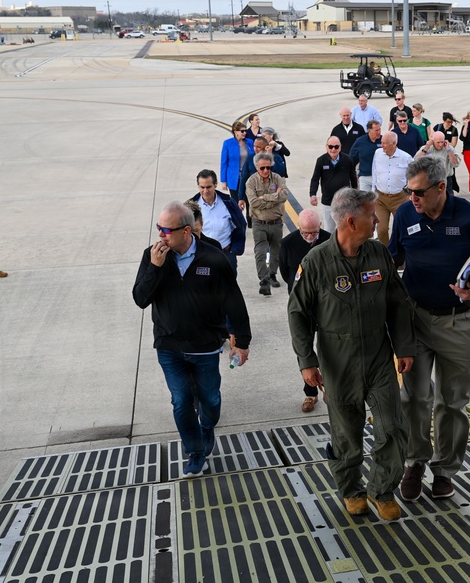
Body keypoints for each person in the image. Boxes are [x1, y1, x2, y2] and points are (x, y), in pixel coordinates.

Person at [288, 188, 415, 521]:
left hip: (378, 355)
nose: (376, 221)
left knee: (392, 426)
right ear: (351, 220)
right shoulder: (315, 262)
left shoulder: (378, 254)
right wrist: (307, 361)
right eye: (372, 215)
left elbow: (398, 304)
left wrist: (404, 346)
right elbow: (298, 314)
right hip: (336, 358)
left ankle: (381, 490)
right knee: (346, 432)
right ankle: (352, 490)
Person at [388, 157, 470, 502]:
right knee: (412, 398)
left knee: (452, 403)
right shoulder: (406, 214)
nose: (412, 199)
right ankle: (414, 462)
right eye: (409, 192)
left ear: (441, 187)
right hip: (416, 321)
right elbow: (393, 258)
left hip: (458, 322)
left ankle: (445, 469)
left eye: (419, 192)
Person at [132, 203, 252, 477]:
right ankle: (196, 452)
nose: (161, 235)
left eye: (166, 230)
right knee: (181, 400)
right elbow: (140, 299)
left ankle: (207, 427)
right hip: (169, 346)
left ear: (186, 231)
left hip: (205, 347)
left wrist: (241, 342)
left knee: (210, 400)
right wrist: (155, 268)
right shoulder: (152, 257)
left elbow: (234, 302)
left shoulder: (213, 259)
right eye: (158, 228)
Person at [278, 209, 331, 414]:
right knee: (304, 349)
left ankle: (328, 387)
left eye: (314, 233)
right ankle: (311, 392)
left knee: (329, 348)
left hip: (326, 305)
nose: (310, 237)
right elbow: (285, 272)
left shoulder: (329, 240)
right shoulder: (288, 243)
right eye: (305, 233)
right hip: (301, 305)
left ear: (320, 227)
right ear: (299, 228)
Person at [245, 153, 288, 296]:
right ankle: (264, 280)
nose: (265, 171)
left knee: (276, 251)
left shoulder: (277, 178)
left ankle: (273, 274)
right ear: (257, 167)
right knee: (260, 252)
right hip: (259, 222)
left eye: (268, 167)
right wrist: (274, 198)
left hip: (276, 222)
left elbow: (284, 196)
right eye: (262, 167)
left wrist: (265, 197)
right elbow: (253, 202)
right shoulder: (251, 182)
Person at [190, 169, 247, 275]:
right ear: (198, 186)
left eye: (209, 187)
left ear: (215, 184)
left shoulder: (228, 202)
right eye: (202, 187)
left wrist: (234, 250)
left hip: (225, 253)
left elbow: (241, 224)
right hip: (202, 255)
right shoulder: (192, 206)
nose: (205, 191)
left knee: (228, 288)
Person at [371, 132, 413, 248]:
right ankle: (387, 254)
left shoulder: (406, 158)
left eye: (385, 143)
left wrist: (410, 194)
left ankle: (399, 253)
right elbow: (374, 172)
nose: (382, 145)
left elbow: (414, 176)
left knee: (400, 229)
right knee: (381, 230)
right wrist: (373, 193)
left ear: (394, 143)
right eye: (382, 142)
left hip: (400, 199)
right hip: (380, 199)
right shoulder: (377, 154)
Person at [309, 137, 358, 234]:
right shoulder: (321, 161)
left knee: (345, 229)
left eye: (336, 147)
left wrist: (355, 195)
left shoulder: (348, 160)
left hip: (344, 201)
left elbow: (353, 178)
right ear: (326, 147)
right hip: (328, 202)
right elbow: (315, 179)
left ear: (340, 147)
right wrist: (312, 194)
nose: (333, 149)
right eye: (330, 147)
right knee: (329, 230)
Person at [237, 136, 287, 214]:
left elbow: (281, 172)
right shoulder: (250, 158)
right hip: (255, 197)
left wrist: (270, 156)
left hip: (273, 203)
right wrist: (241, 198)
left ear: (266, 147)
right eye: (254, 146)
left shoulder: (276, 157)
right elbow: (244, 177)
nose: (255, 149)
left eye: (258, 147)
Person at [219, 122, 254, 194]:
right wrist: (223, 181)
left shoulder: (250, 142)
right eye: (242, 131)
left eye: (245, 131)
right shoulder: (227, 143)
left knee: (249, 201)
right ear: (235, 132)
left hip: (248, 177)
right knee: (235, 202)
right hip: (234, 179)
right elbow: (224, 163)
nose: (244, 133)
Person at [349, 119, 383, 193]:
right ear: (369, 131)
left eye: (379, 129)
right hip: (365, 177)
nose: (379, 132)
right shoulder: (360, 141)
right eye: (376, 130)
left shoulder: (383, 141)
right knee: (365, 201)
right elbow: (352, 158)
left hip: (380, 177)